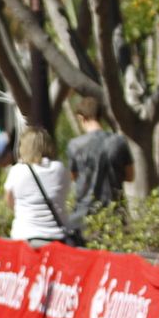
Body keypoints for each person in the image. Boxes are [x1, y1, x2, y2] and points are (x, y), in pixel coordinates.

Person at [65, 95, 134, 238]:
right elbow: (130, 176)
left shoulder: (75, 145)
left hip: (84, 216)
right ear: (100, 116)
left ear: (81, 117)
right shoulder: (119, 141)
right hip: (114, 215)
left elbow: (73, 177)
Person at [3, 127, 71, 246]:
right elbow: (65, 194)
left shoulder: (17, 171)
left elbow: (9, 200)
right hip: (57, 238)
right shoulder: (60, 168)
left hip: (24, 237)